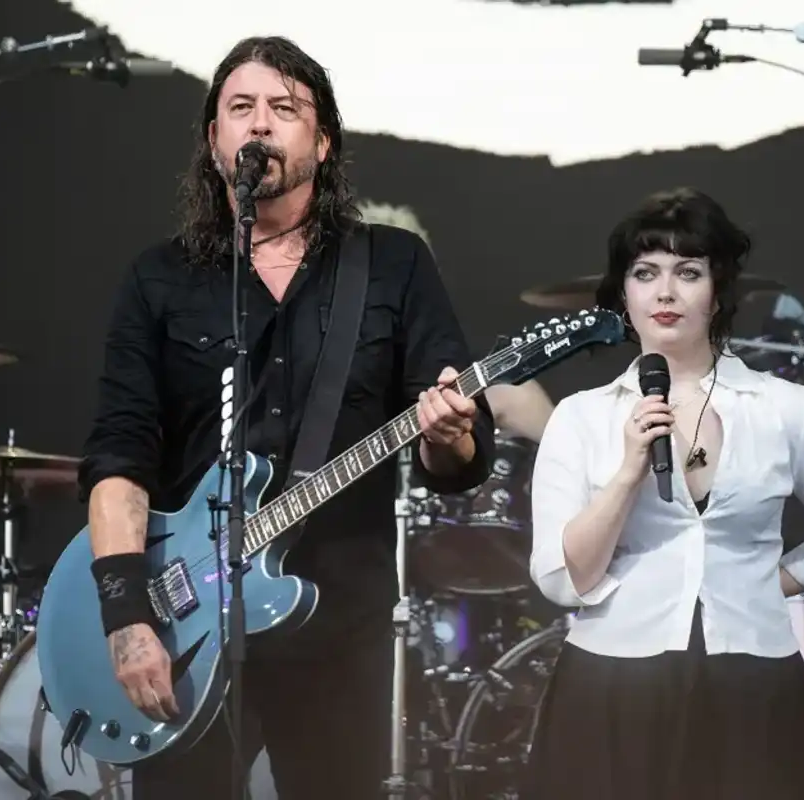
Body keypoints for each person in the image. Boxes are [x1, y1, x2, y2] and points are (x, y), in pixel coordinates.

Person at [76, 35, 496, 800]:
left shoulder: (393, 264)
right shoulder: (159, 279)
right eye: (241, 109)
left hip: (338, 629)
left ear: (323, 141)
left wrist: (451, 431)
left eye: (285, 109)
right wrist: (127, 614)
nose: (261, 124)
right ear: (214, 142)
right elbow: (119, 456)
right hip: (187, 626)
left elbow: (458, 459)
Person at [524, 187, 804, 800]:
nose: (665, 292)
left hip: (755, 686)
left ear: (718, 292)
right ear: (624, 295)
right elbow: (562, 579)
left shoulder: (784, 408)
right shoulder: (581, 419)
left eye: (688, 272)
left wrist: (765, 583)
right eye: (646, 273)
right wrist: (627, 473)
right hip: (613, 686)